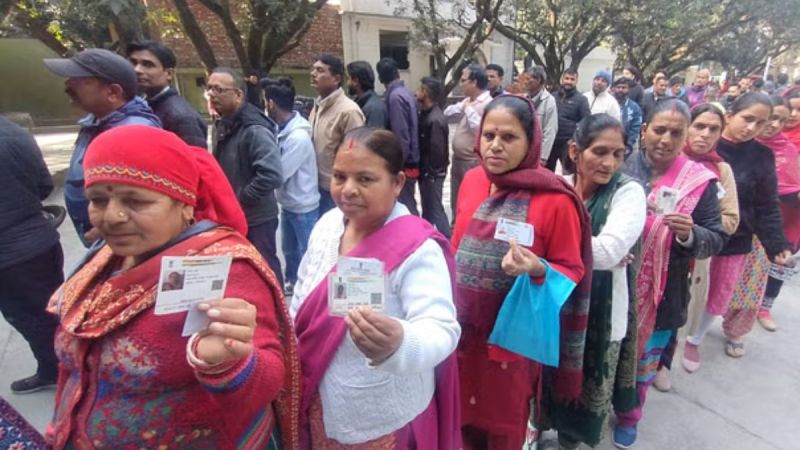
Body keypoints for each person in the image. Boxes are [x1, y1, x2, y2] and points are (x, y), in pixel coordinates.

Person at [45, 126, 300, 449]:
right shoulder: (103, 260)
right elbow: (78, 369)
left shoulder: (225, 270)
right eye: (98, 199)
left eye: (135, 201)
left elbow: (268, 382)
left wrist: (229, 361)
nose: (112, 216)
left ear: (184, 204)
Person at [290, 127, 461, 448]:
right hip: (319, 400)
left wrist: (400, 341)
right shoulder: (327, 225)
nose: (348, 190)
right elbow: (302, 293)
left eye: (365, 179)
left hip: (381, 417)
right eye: (340, 177)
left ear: (397, 183)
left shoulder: (417, 248)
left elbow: (442, 329)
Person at [453, 95, 591, 449]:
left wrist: (538, 268)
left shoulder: (555, 199)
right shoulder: (471, 181)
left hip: (512, 342)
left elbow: (572, 269)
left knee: (503, 426)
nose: (495, 146)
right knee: (459, 420)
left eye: (509, 138)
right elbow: (457, 243)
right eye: (489, 136)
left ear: (532, 142)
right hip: (461, 335)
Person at [613, 99, 726, 448]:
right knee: (609, 351)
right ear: (644, 129)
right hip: (614, 281)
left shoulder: (701, 182)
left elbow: (717, 238)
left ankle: (630, 416)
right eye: (659, 129)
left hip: (663, 291)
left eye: (676, 133)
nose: (665, 139)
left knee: (644, 359)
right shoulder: (619, 165)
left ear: (685, 136)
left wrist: (688, 234)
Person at [552, 114, 646, 449]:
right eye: (600, 152)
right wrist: (586, 248)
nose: (610, 163)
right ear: (575, 151)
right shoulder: (557, 183)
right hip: (555, 301)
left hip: (599, 311)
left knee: (584, 387)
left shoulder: (629, 193)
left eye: (618, 154)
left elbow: (606, 253)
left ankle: (569, 441)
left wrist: (547, 243)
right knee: (548, 376)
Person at [43, 48, 161, 245]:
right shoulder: (96, 123)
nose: (68, 84)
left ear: (113, 92)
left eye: (79, 79)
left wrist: (109, 227)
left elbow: (147, 196)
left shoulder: (133, 133)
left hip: (117, 238)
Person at [712, 93, 795, 358]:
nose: (753, 128)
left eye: (760, 123)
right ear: (730, 116)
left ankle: (729, 331)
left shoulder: (762, 156)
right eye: (748, 119)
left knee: (734, 289)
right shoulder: (707, 143)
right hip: (697, 231)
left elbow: (766, 204)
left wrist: (777, 243)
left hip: (740, 234)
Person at [0, 117, 63, 394]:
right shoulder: (16, 132)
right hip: (40, 239)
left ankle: (59, 373)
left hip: (13, 252)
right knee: (55, 311)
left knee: (29, 316)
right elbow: (43, 185)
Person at [676, 104, 740, 374]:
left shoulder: (721, 171)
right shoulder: (669, 158)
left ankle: (682, 347)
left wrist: (697, 222)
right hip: (653, 248)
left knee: (682, 308)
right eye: (699, 126)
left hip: (693, 252)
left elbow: (731, 219)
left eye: (713, 129)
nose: (705, 134)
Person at [208, 67, 284, 288]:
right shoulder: (224, 122)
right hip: (233, 215)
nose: (212, 94)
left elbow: (271, 175)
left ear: (238, 94)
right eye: (210, 88)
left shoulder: (254, 129)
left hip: (257, 218)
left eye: (219, 89)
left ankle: (279, 316)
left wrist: (240, 198)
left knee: (265, 268)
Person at [263, 77, 320, 295]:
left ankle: (311, 288)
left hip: (303, 205)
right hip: (288, 203)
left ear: (271, 104)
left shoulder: (297, 137)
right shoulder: (283, 129)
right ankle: (293, 283)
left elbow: (280, 173)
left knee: (308, 251)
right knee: (289, 250)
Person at [753, 95, 800, 331]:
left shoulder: (790, 149)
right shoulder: (746, 146)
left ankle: (765, 307)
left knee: (779, 262)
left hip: (786, 216)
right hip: (752, 217)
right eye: (771, 118)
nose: (775, 124)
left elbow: (792, 184)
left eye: (780, 120)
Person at [310, 54, 366, 214]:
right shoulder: (318, 106)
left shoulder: (349, 111)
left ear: (336, 78)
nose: (313, 74)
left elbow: (356, 155)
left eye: (320, 70)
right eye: (313, 69)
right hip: (316, 187)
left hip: (337, 191)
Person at [126, 40, 208, 148]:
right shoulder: (141, 105)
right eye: (133, 63)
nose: (137, 70)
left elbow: (195, 162)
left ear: (169, 74)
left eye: (147, 65)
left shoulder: (181, 117)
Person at [444, 63, 492, 216]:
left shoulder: (488, 104)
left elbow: (480, 130)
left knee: (470, 202)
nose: (461, 83)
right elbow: (447, 112)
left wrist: (468, 109)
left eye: (464, 80)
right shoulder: (468, 101)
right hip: (458, 160)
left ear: (474, 82)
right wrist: (463, 106)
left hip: (472, 161)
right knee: (455, 200)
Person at [377, 57, 420, 215]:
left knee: (406, 206)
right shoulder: (406, 93)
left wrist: (398, 164)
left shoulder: (395, 97)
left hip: (405, 163)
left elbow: (401, 135)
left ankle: (415, 236)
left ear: (380, 77)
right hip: (410, 159)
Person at [416, 76, 452, 237]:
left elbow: (437, 152)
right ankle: (428, 238)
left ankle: (448, 242)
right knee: (428, 209)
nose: (416, 92)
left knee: (435, 209)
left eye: (420, 89)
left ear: (426, 93)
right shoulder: (425, 113)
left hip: (432, 174)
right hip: (426, 173)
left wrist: (430, 173)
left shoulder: (435, 118)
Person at [550, 68, 591, 171]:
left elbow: (585, 122)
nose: (568, 81)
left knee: (569, 172)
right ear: (561, 79)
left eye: (572, 79)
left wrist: (574, 139)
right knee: (546, 172)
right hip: (551, 141)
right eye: (566, 78)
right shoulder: (552, 97)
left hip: (567, 143)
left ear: (576, 81)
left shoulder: (581, 100)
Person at [524, 66, 558, 164]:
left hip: (538, 150)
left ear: (538, 80)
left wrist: (543, 157)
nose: (525, 82)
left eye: (528, 79)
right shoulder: (524, 98)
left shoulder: (549, 101)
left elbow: (550, 130)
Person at [346, 61, 388, 128]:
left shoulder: (374, 108)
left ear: (356, 81)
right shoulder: (362, 103)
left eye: (348, 78)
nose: (347, 83)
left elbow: (373, 137)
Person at [613, 78, 643, 157]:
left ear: (628, 89)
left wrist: (629, 144)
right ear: (614, 89)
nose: (620, 90)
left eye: (623, 88)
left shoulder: (634, 107)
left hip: (629, 146)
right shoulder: (609, 104)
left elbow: (636, 126)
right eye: (618, 87)